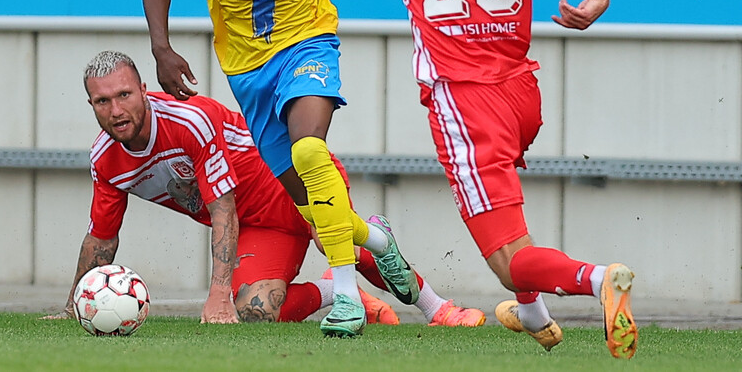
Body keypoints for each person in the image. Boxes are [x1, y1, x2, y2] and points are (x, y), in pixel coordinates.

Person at [305, 0, 639, 359]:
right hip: (522, 95)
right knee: (510, 222)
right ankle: (532, 313)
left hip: (465, 105)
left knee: (507, 260)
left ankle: (598, 280)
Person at [142, 0, 419, 337]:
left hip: (307, 43)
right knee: (310, 203)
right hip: (247, 72)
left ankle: (346, 300)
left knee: (309, 149)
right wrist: (162, 47)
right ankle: (378, 242)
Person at [45, 50, 487, 329]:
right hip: (256, 226)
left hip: (295, 187)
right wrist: (73, 305)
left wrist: (216, 293)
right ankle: (333, 290)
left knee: (352, 251)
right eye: (103, 101)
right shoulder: (106, 159)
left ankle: (437, 310)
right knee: (253, 313)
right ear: (91, 106)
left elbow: (221, 209)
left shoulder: (188, 119)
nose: (116, 110)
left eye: (124, 95)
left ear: (144, 90)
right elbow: (102, 237)